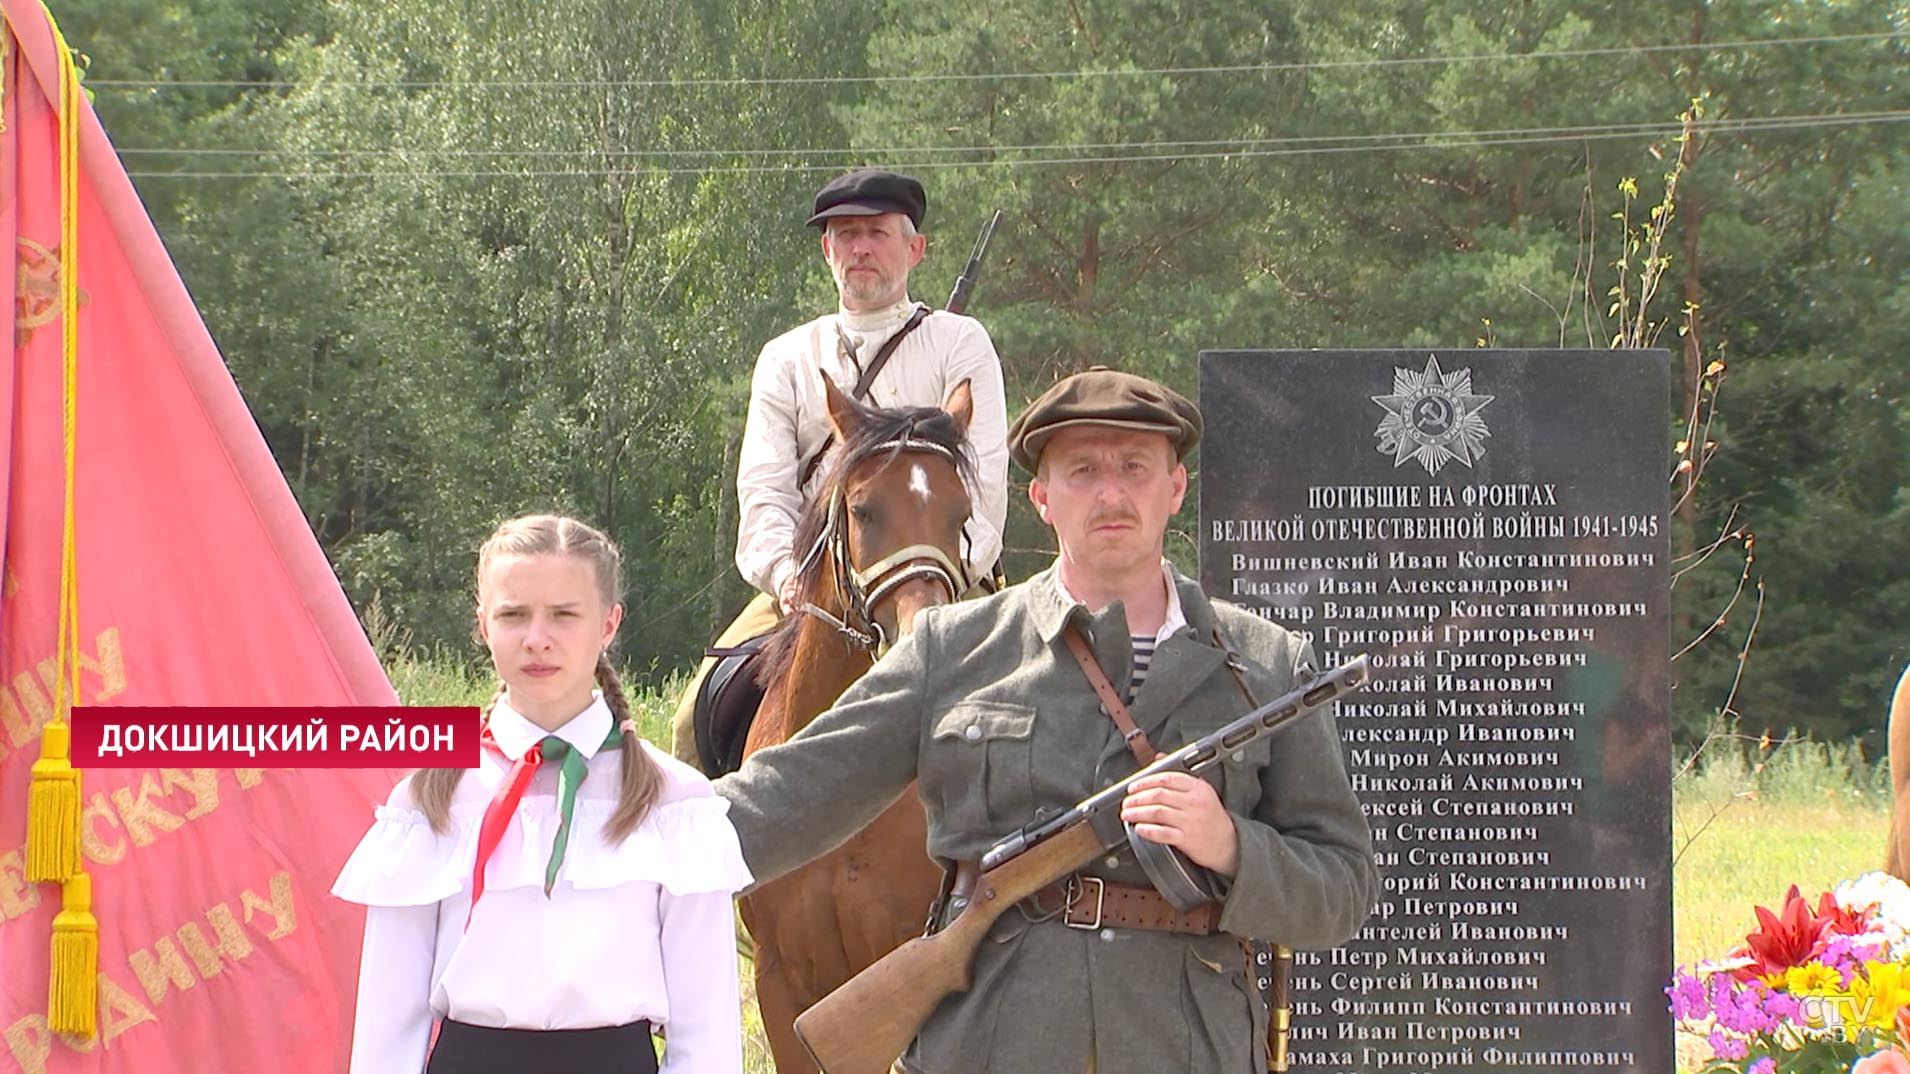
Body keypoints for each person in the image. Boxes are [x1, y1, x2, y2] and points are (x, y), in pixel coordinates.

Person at [714, 368, 1379, 1074]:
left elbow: (1343, 887)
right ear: (1041, 498)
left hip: (1191, 1049)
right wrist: (616, 814)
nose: (1112, 492)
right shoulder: (955, 650)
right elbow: (790, 794)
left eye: (1135, 467)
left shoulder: (1269, 665)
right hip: (996, 1044)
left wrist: (1232, 846)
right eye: (1083, 470)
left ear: (1176, 488)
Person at [333, 514, 750, 1074]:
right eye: (513, 615)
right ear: (483, 624)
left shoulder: (675, 805)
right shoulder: (430, 800)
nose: (537, 638)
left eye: (563, 615)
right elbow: (388, 1030)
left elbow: (707, 1038)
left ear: (608, 624)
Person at [670, 167, 1009, 767]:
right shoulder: (786, 357)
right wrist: (789, 581)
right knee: (690, 720)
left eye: (878, 232)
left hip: (942, 578)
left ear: (915, 249)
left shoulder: (961, 342)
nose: (861, 248)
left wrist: (947, 579)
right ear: (828, 250)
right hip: (813, 584)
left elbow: (982, 493)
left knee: (1024, 719)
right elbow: (765, 492)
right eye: (845, 234)